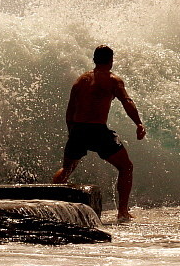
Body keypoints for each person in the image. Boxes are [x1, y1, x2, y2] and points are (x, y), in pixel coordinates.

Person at [51, 45, 145, 223]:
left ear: (94, 60)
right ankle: (123, 212)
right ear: (111, 61)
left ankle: (53, 204)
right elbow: (127, 101)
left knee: (67, 170)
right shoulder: (113, 80)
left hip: (78, 129)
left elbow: (70, 109)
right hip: (97, 131)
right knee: (126, 167)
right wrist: (138, 123)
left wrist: (71, 131)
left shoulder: (80, 80)